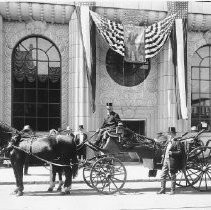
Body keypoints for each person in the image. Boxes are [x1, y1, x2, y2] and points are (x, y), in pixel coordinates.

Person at [157, 127, 185, 195]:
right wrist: (163, 155)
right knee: (163, 175)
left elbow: (180, 152)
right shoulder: (168, 142)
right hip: (165, 160)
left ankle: (173, 190)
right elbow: (165, 150)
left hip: (172, 160)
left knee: (172, 175)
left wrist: (172, 153)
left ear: (173, 134)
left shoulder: (177, 142)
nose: (169, 135)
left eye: (170, 134)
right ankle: (162, 189)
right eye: (168, 134)